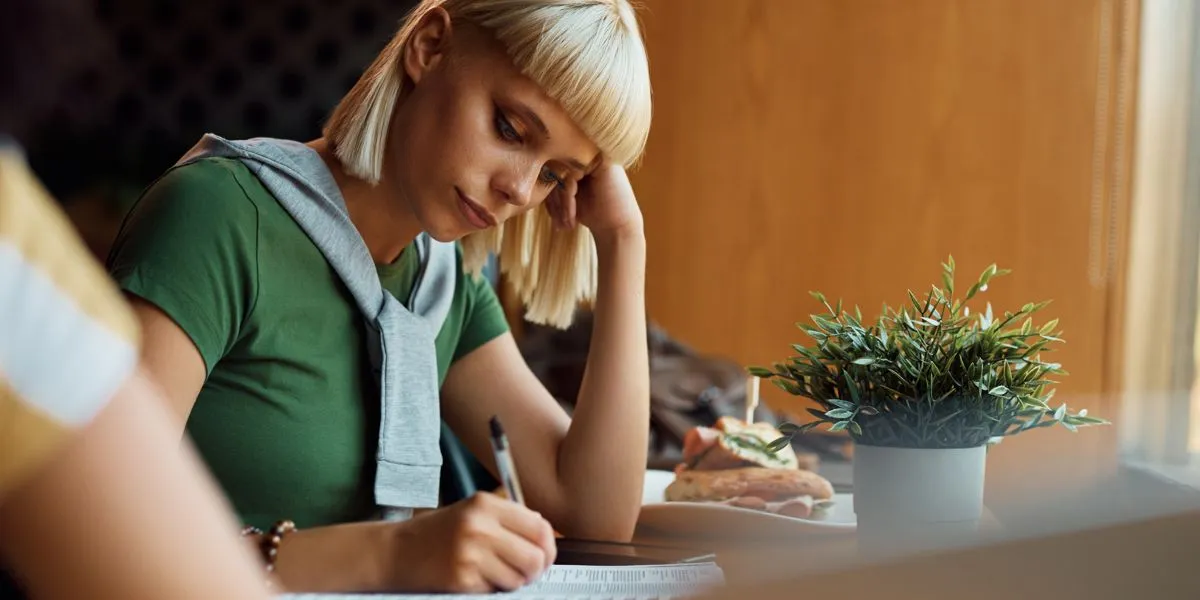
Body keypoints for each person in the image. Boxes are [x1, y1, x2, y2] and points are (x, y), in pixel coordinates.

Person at [105, 0, 653, 594]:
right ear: (430, 46)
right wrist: (391, 554)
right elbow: (100, 532)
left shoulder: (443, 284)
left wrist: (624, 244)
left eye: (554, 176)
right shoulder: (219, 216)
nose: (518, 190)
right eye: (510, 129)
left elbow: (592, 513)